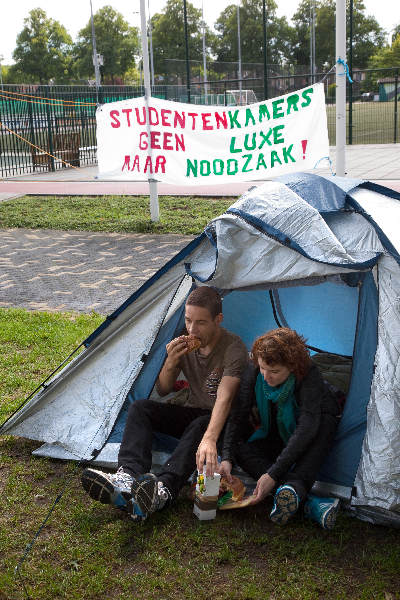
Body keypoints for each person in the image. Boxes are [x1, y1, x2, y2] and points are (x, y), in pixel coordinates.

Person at [81, 286, 248, 521]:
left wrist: (210, 440)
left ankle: (163, 489)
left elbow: (226, 397)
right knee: (141, 408)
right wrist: (171, 362)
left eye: (201, 322)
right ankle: (127, 477)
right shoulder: (184, 341)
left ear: (218, 320)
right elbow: (163, 389)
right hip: (194, 413)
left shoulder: (234, 348)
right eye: (189, 320)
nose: (192, 329)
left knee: (201, 423)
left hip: (224, 421)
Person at [218, 328, 341, 528]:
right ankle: (305, 501)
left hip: (312, 426)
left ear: (293, 367)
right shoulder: (255, 370)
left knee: (325, 423)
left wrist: (272, 474)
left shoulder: (308, 374)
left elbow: (306, 428)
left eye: (274, 372)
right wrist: (226, 457)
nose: (266, 377)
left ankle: (294, 489)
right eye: (263, 369)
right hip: (278, 429)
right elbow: (238, 414)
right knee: (239, 448)